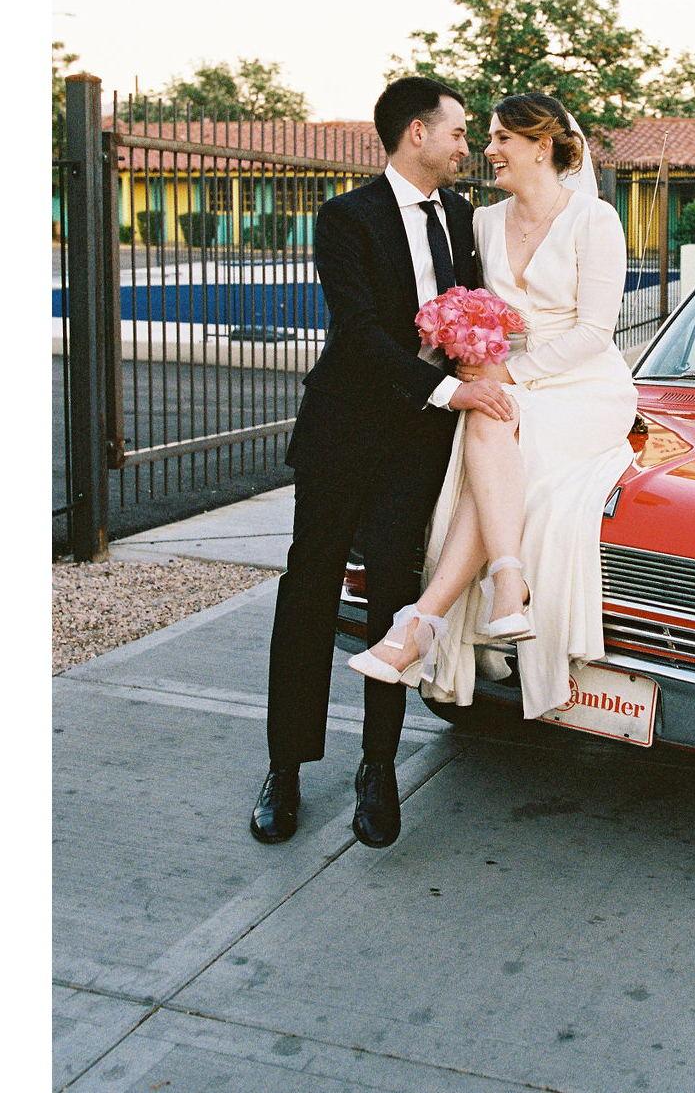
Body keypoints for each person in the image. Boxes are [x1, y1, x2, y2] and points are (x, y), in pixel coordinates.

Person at [250, 77, 515, 849]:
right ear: (415, 134)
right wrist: (450, 391)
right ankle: (286, 767)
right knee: (309, 594)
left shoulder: (462, 217)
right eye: (458, 131)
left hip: (419, 443)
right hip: (343, 434)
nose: (467, 146)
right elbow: (360, 331)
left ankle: (378, 768)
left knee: (397, 599)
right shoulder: (346, 217)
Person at [345, 92, 636, 723]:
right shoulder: (482, 221)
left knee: (493, 419)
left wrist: (510, 371)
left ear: (542, 145)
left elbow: (595, 332)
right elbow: (473, 308)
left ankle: (424, 620)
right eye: (488, 137)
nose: (488, 149)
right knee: (489, 414)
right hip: (508, 381)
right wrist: (464, 348)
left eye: (503, 137)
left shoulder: (595, 220)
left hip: (584, 386)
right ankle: (505, 581)